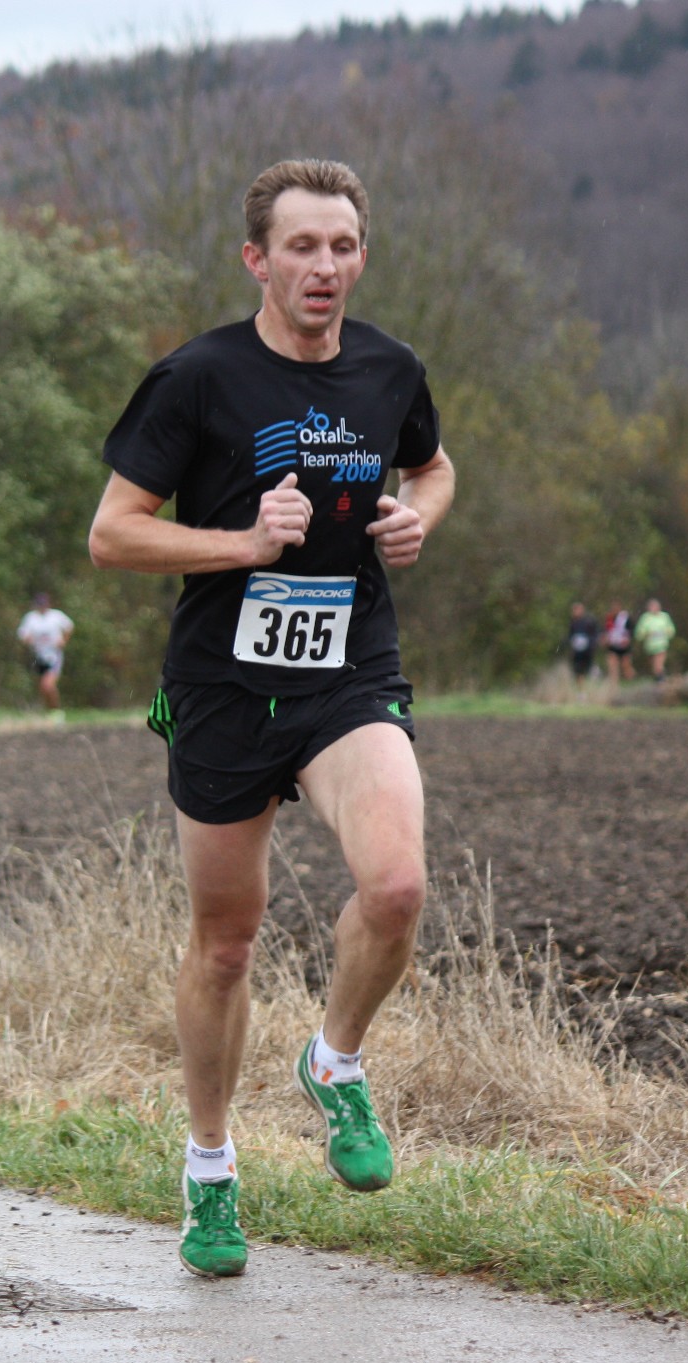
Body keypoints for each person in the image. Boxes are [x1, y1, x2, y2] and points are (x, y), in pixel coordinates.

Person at [89, 158, 455, 1278]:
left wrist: (417, 515)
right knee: (227, 942)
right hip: (222, 686)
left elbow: (435, 468)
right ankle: (209, 1167)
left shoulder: (390, 367)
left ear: (361, 257)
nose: (323, 266)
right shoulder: (197, 377)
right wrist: (243, 543)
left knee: (396, 887)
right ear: (258, 259)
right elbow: (113, 533)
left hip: (348, 670)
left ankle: (334, 1062)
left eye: (342, 246)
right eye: (302, 246)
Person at [16, 592, 75, 720]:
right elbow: (23, 635)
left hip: (54, 655)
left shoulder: (56, 616)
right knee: (43, 688)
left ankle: (57, 712)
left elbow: (69, 627)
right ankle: (48, 712)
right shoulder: (31, 618)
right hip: (39, 656)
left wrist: (64, 640)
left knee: (48, 685)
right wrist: (29, 640)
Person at [636, 597, 676, 682]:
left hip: (662, 644)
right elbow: (639, 633)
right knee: (654, 665)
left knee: (659, 664)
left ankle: (661, 680)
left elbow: (671, 630)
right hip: (650, 646)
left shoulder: (664, 617)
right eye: (652, 606)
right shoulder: (645, 618)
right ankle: (660, 679)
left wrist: (666, 633)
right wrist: (646, 634)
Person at [565, 601, 599, 690]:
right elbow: (570, 636)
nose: (575, 612)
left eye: (577, 609)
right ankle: (581, 691)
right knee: (578, 671)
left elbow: (595, 634)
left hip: (588, 650)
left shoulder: (589, 621)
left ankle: (594, 674)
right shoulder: (573, 623)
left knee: (588, 668)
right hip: (577, 651)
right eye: (574, 610)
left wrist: (591, 644)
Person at [602, 602, 636, 684]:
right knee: (612, 666)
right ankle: (613, 684)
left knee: (626, 666)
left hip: (624, 647)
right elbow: (606, 632)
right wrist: (605, 639)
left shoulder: (625, 618)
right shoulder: (609, 619)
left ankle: (631, 682)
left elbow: (631, 630)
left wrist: (628, 639)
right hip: (613, 646)